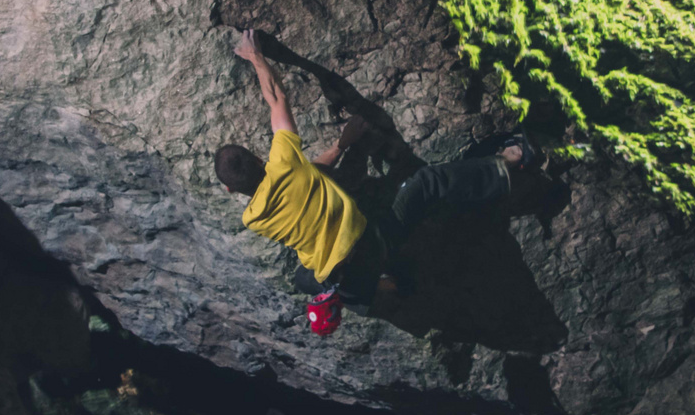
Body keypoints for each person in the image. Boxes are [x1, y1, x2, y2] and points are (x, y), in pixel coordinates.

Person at [214, 28, 536, 333]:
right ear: (259, 158)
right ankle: (507, 165)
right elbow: (277, 97)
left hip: (345, 276)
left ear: (231, 190)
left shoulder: (253, 220)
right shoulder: (284, 160)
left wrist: (342, 145)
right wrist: (255, 56)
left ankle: (375, 290)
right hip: (374, 242)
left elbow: (312, 177)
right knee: (424, 183)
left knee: (302, 277)